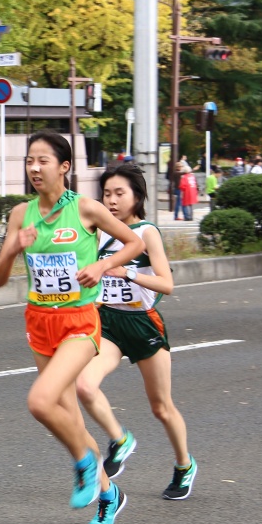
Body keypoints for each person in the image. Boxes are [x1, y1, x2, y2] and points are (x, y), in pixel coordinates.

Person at [0, 130, 144, 524]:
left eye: (43, 160)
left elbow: (132, 242)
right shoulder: (20, 215)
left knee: (41, 402)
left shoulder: (87, 209)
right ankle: (110, 494)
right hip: (39, 322)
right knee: (72, 421)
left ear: (64, 167)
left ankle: (83, 466)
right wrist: (11, 248)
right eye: (29, 160)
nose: (34, 168)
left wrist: (101, 266)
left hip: (79, 321)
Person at [76, 163, 197, 500]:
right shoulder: (98, 231)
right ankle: (120, 438)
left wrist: (127, 273)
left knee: (161, 407)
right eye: (107, 193)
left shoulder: (146, 233)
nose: (111, 200)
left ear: (137, 197)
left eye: (120, 193)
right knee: (84, 385)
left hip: (143, 323)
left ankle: (184, 465)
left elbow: (167, 284)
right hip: (109, 322)